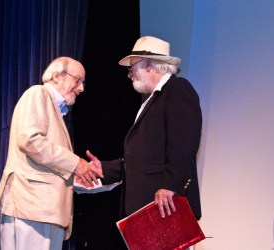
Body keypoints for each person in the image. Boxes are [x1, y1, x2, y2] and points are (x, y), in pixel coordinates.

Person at [0, 57, 103, 250]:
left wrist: (75, 177)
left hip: (45, 209)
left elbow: (46, 161)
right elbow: (30, 140)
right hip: (31, 206)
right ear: (57, 76)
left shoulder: (57, 111)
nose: (81, 88)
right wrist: (76, 164)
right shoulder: (37, 94)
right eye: (78, 80)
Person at [87, 36, 202, 221]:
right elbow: (143, 159)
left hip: (166, 206)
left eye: (132, 68)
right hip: (149, 207)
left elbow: (185, 143)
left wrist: (171, 185)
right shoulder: (153, 100)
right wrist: (105, 169)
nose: (130, 74)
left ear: (149, 65)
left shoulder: (177, 89)